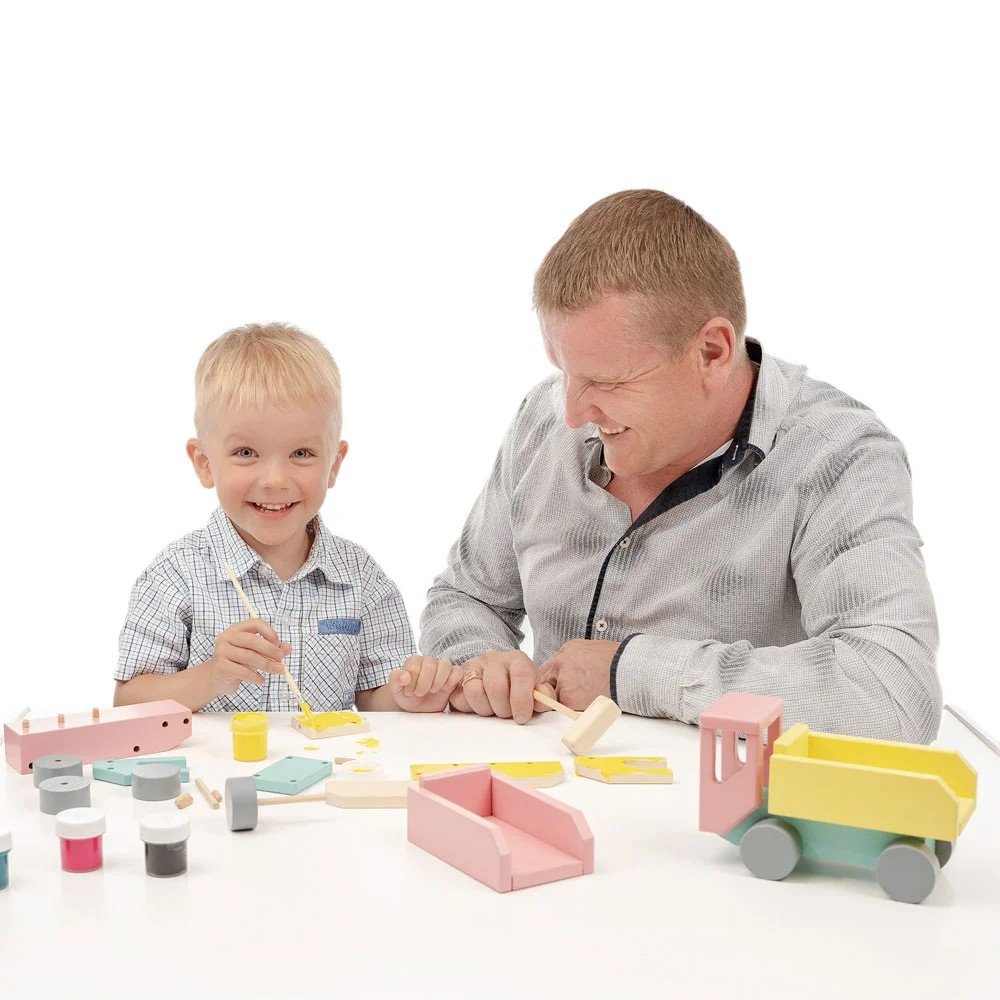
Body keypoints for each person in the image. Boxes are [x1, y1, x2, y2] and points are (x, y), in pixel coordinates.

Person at [421, 190, 941, 742]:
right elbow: (466, 597)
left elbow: (893, 691)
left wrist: (631, 672)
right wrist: (483, 661)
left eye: (608, 382)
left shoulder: (839, 454)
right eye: (564, 371)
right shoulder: (546, 417)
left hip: (722, 821)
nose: (572, 413)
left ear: (712, 352)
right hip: (547, 797)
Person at [114, 322, 457, 713]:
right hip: (219, 774)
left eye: (301, 454)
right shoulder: (176, 573)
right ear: (205, 463)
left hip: (326, 772)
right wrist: (211, 676)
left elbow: (375, 700)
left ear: (334, 463)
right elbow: (127, 701)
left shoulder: (363, 579)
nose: (275, 480)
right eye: (246, 452)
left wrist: (405, 696)